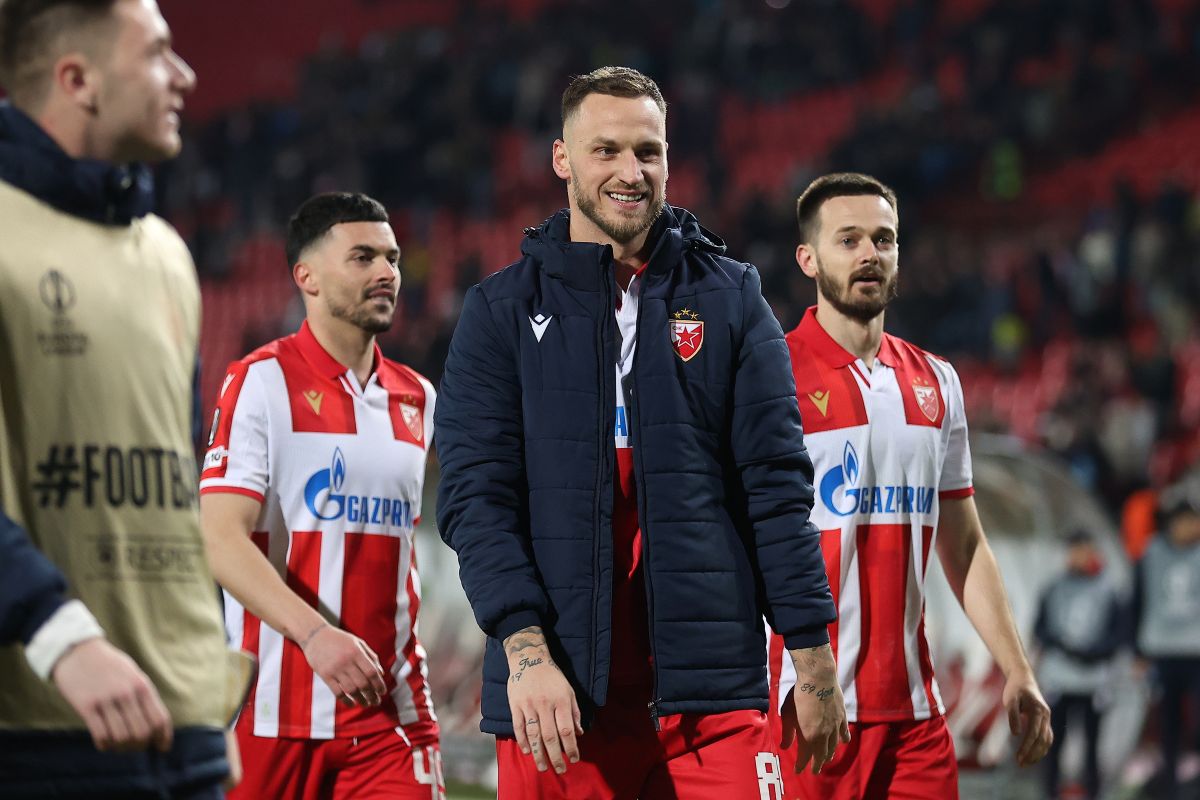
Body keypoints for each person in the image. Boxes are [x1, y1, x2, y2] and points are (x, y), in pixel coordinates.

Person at [435, 65, 847, 800]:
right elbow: (476, 502)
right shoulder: (498, 313)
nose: (632, 172)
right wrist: (526, 655)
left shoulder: (731, 296)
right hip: (557, 701)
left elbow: (777, 486)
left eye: (649, 152)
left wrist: (812, 657)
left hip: (712, 697)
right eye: (607, 151)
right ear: (562, 159)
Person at [0, 0, 236, 797]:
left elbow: (179, 482)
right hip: (43, 727)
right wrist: (58, 636)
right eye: (158, 53)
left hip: (187, 726)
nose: (186, 75)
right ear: (78, 80)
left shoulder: (167, 253)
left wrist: (206, 673)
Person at [766, 172, 1053, 799]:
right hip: (804, 709)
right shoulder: (771, 378)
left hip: (914, 719)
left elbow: (965, 544)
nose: (870, 253)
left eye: (884, 239)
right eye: (849, 240)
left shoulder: (938, 383)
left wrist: (1017, 669)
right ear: (808, 258)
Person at [198, 192, 444, 800]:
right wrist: (313, 636)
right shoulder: (259, 382)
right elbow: (219, 540)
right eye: (362, 257)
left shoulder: (418, 397)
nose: (387, 272)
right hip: (273, 715)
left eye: (390, 257)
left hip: (394, 716)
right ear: (305, 277)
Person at [1034, 529, 1125, 800]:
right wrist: (1065, 647)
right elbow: (1040, 629)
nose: (1079, 556)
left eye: (1084, 549)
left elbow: (1117, 634)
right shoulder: (1054, 587)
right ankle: (1050, 793)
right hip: (1059, 679)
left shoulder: (1109, 588)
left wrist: (1094, 653)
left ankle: (1093, 793)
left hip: (1093, 681)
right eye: (1075, 550)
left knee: (1092, 747)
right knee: (1053, 743)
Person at [1133, 485, 1200, 800]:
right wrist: (1137, 650)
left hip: (1196, 650)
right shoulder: (1152, 553)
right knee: (1167, 725)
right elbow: (1138, 601)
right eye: (1184, 520)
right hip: (1162, 649)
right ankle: (1170, 787)